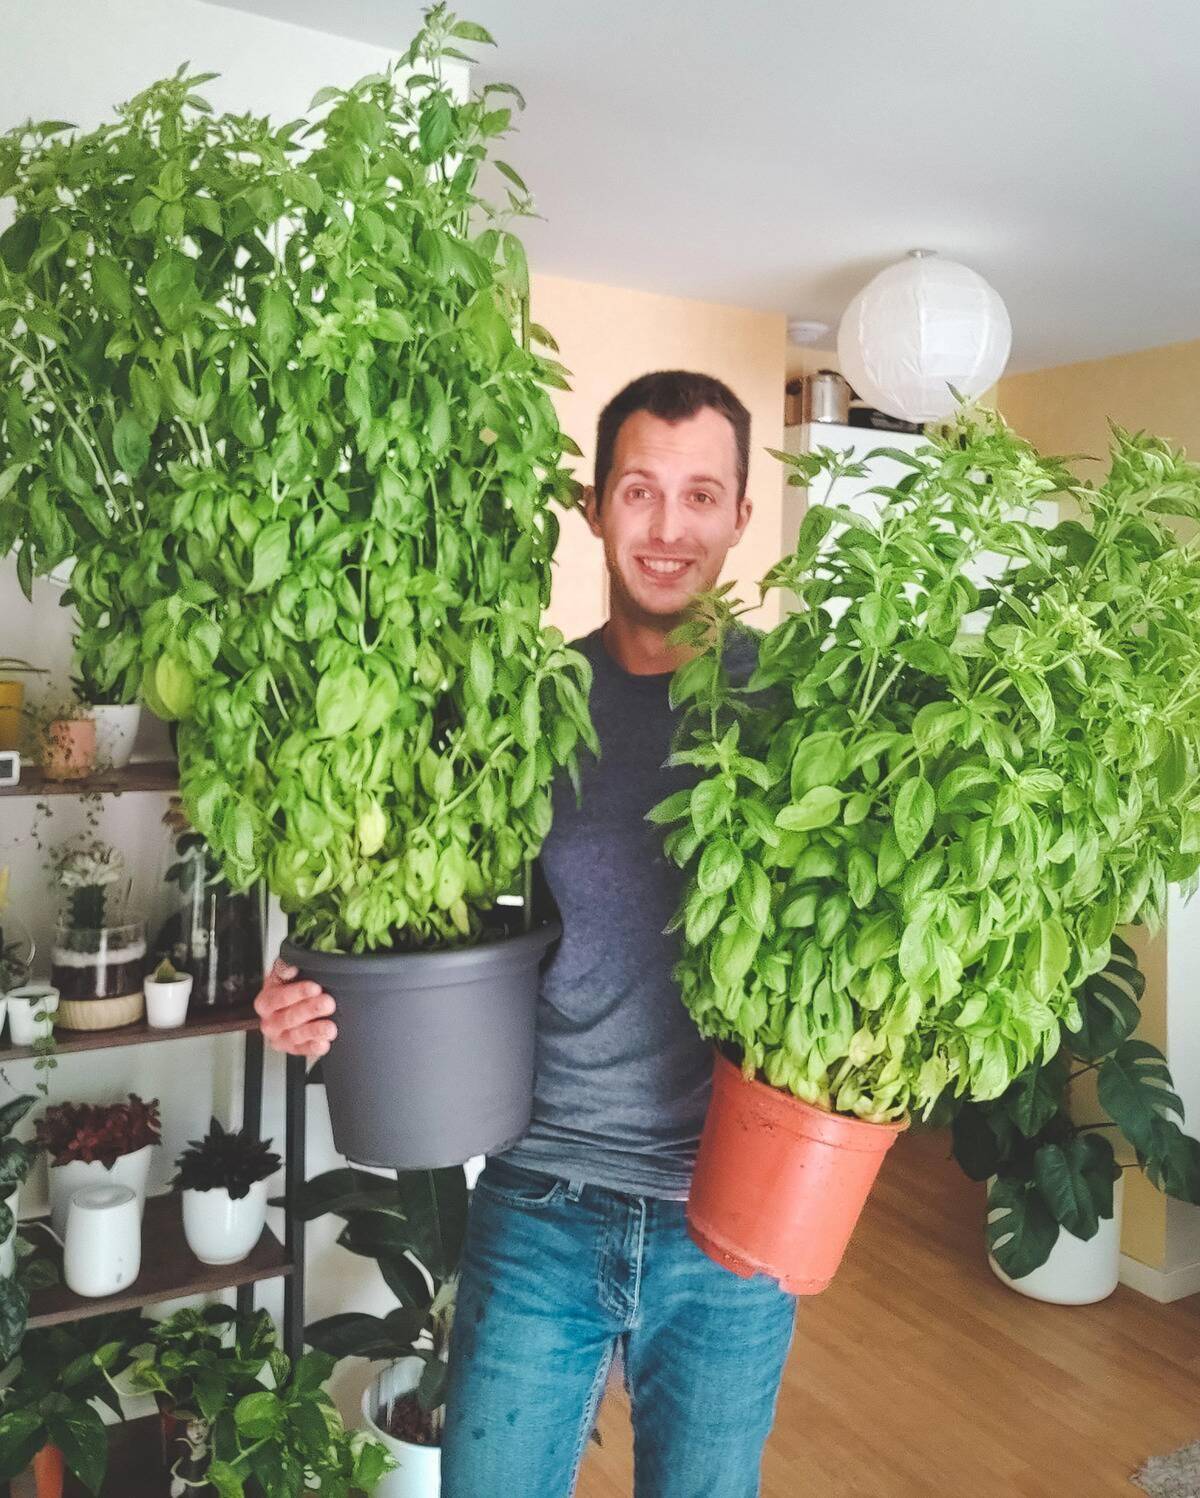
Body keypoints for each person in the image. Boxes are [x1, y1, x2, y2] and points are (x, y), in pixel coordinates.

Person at [255, 370, 797, 1498]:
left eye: (702, 495)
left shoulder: (799, 717)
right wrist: (316, 989)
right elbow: (423, 905)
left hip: (732, 1216)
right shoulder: (529, 705)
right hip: (542, 1192)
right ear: (594, 506)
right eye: (640, 490)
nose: (668, 527)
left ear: (744, 517)